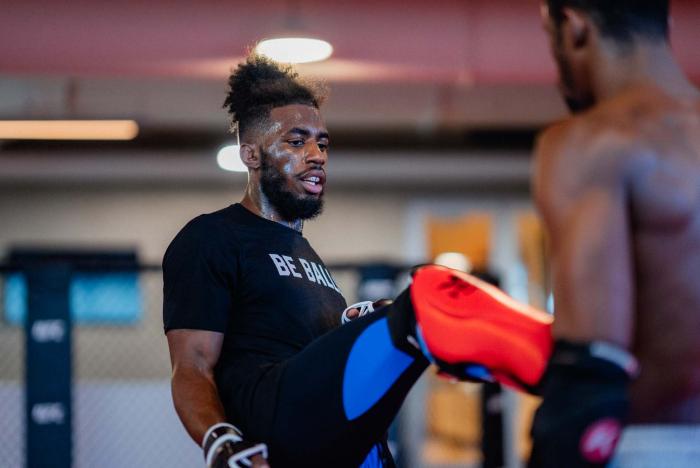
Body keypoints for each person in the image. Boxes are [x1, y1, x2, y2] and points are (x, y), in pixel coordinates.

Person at [163, 54, 552, 467]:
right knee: (430, 298)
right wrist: (221, 443)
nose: (317, 155)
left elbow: (311, 350)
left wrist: (353, 323)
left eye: (322, 143)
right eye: (296, 142)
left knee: (404, 325)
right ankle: (561, 362)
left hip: (332, 439)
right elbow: (192, 366)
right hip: (274, 417)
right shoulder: (212, 237)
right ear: (251, 155)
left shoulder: (307, 258)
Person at [531, 1, 700, 466]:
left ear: (574, 28)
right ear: (664, 23)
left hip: (650, 446)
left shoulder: (595, 142)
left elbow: (591, 369)